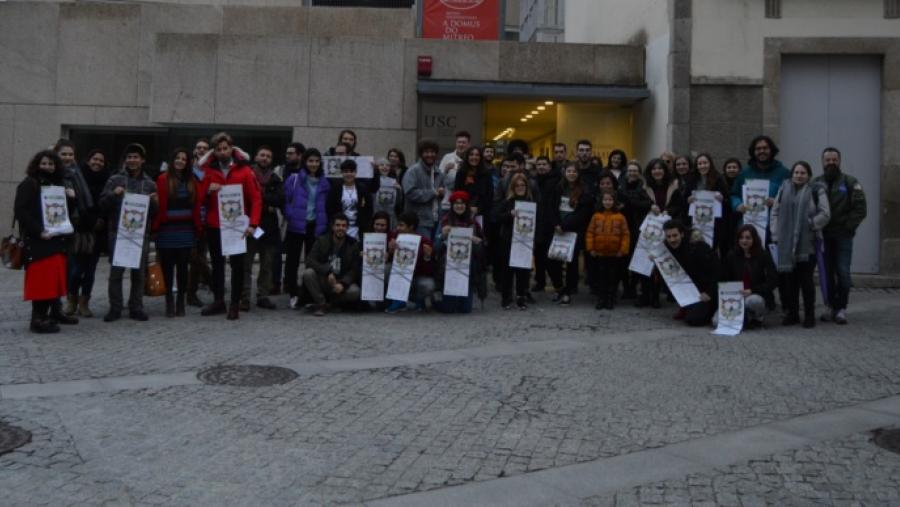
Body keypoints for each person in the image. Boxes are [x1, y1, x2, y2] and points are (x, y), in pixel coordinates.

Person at [196, 132, 262, 320]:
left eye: (225, 148)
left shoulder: (244, 171)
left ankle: (234, 303)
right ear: (214, 152)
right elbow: (199, 199)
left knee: (237, 266)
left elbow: (256, 199)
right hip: (215, 224)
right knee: (217, 264)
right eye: (218, 149)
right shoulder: (208, 171)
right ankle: (219, 301)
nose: (222, 152)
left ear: (231, 149)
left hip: (237, 226)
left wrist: (253, 224)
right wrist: (208, 191)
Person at [15, 150, 78, 333]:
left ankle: (53, 313)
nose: (48, 167)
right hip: (39, 241)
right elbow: (21, 212)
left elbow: (64, 211)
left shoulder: (57, 184)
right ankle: (38, 319)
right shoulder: (29, 184)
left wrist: (72, 199)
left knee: (54, 280)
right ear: (37, 164)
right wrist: (39, 231)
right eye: (44, 163)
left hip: (56, 239)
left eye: (51, 164)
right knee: (42, 282)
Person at [99, 143, 158, 322]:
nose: (132, 160)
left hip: (140, 236)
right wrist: (113, 194)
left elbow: (154, 214)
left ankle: (136, 307)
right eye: (129, 157)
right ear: (125, 160)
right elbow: (102, 205)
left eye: (136, 157)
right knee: (116, 274)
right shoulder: (114, 180)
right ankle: (115, 308)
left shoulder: (149, 184)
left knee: (138, 274)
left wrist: (154, 202)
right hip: (118, 235)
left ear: (142, 160)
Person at [770, 161, 830, 328]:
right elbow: (775, 211)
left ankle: (809, 315)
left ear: (808, 175)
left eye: (803, 173)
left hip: (808, 243)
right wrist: (775, 234)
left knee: (806, 281)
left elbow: (825, 213)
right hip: (786, 243)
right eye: (796, 172)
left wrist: (810, 224)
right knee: (791, 281)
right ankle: (793, 313)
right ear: (792, 174)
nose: (799, 175)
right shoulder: (784, 189)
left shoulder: (816, 190)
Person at [813, 147, 867, 324]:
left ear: (839, 161)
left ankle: (841, 308)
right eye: (828, 160)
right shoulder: (816, 182)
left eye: (834, 160)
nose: (831, 163)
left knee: (842, 272)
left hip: (843, 236)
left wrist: (848, 228)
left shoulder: (851, 182)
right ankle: (829, 307)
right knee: (826, 273)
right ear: (823, 162)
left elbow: (860, 209)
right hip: (823, 237)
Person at [153, 148, 201, 317]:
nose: (180, 161)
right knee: (167, 269)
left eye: (184, 158)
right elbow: (158, 206)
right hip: (167, 231)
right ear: (172, 160)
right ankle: (169, 302)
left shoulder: (192, 181)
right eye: (177, 158)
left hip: (186, 232)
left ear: (188, 163)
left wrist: (197, 229)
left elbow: (197, 206)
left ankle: (181, 300)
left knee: (182, 269)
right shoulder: (162, 179)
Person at [283, 148, 330, 308]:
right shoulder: (294, 179)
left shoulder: (324, 182)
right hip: (296, 225)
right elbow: (286, 200)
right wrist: (290, 215)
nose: (314, 164)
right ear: (305, 162)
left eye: (317, 161)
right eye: (311, 161)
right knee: (292, 261)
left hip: (314, 226)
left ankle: (308, 294)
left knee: (312, 262)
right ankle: (293, 293)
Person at [55, 140, 96, 318]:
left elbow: (87, 200)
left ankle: (82, 302)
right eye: (63, 154)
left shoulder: (78, 173)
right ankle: (68, 301)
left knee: (86, 268)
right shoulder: (54, 175)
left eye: (70, 154)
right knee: (72, 269)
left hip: (84, 227)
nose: (67, 157)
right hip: (64, 228)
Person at [241, 146, 284, 311]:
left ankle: (263, 295)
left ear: (271, 160)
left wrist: (259, 197)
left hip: (269, 228)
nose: (265, 158)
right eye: (262, 155)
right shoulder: (247, 174)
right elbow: (245, 197)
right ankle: (244, 297)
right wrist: (267, 203)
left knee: (267, 265)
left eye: (268, 156)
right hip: (249, 226)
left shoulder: (275, 178)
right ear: (256, 157)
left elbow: (280, 199)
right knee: (246, 264)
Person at [70, 148, 109, 317]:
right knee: (76, 269)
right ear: (88, 160)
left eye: (101, 160)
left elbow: (107, 204)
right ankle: (71, 300)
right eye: (95, 159)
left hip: (97, 232)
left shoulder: (108, 180)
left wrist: (101, 220)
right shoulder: (77, 177)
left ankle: (84, 302)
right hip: (80, 230)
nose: (97, 163)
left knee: (91, 270)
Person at [730, 135, 791, 243]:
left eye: (765, 148)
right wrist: (737, 205)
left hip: (774, 230)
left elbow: (792, 198)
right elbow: (734, 195)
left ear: (771, 150)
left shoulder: (784, 173)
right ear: (753, 152)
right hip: (748, 230)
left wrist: (777, 202)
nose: (762, 151)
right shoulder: (744, 173)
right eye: (758, 149)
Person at [658, 219, 719, 326]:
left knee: (694, 320)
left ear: (682, 234)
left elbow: (717, 272)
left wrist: (709, 292)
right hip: (691, 289)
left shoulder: (698, 247)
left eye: (675, 235)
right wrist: (656, 260)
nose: (672, 239)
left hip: (707, 291)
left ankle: (716, 309)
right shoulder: (667, 249)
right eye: (669, 236)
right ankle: (687, 306)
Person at [547, 162, 591, 305]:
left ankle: (569, 291)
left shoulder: (584, 190)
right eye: (569, 171)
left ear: (578, 174)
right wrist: (556, 224)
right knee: (554, 261)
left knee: (572, 264)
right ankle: (559, 288)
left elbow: (582, 213)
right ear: (565, 173)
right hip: (557, 230)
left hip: (573, 231)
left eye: (574, 171)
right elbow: (551, 207)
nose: (572, 174)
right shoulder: (558, 188)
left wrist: (564, 226)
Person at [301, 213, 361, 316]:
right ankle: (322, 304)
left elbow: (354, 269)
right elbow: (310, 260)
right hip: (324, 279)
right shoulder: (321, 240)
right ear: (332, 226)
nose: (340, 228)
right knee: (308, 273)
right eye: (338, 225)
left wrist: (343, 284)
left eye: (343, 226)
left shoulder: (353, 244)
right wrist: (327, 271)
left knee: (355, 292)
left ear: (347, 228)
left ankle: (333, 303)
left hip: (340, 281)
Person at [719, 225, 778, 328]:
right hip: (736, 296)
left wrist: (752, 290)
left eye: (748, 238)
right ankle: (745, 318)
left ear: (754, 239)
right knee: (716, 322)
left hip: (756, 295)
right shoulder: (732, 255)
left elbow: (773, 281)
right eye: (741, 238)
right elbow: (725, 278)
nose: (744, 241)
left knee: (754, 301)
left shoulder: (763, 255)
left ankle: (757, 317)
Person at [493, 173, 536, 310]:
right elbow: (496, 217)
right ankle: (506, 298)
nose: (520, 187)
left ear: (526, 186)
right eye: (517, 185)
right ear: (513, 187)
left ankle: (521, 297)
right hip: (508, 240)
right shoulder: (507, 202)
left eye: (522, 185)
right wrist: (509, 214)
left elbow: (538, 221)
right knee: (507, 271)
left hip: (525, 241)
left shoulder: (531, 202)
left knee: (523, 271)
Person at [437, 191, 485, 313]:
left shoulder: (473, 224)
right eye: (456, 203)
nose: (459, 206)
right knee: (448, 309)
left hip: (468, 268)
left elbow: (483, 248)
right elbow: (435, 247)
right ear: (452, 205)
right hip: (448, 267)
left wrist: (477, 241)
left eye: (462, 203)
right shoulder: (445, 221)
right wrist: (442, 235)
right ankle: (438, 300)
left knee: (465, 310)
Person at [585, 190, 630, 310]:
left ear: (614, 202)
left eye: (610, 200)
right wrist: (591, 248)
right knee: (601, 277)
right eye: (605, 200)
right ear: (601, 201)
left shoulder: (620, 217)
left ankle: (611, 298)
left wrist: (623, 250)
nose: (608, 202)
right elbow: (590, 232)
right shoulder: (596, 216)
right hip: (599, 253)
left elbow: (625, 234)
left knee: (613, 277)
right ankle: (601, 298)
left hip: (615, 254)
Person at [384, 211, 437, 313]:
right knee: (386, 269)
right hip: (399, 275)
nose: (398, 228)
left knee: (428, 285)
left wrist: (427, 257)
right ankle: (396, 300)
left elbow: (429, 271)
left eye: (401, 225)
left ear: (411, 227)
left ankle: (418, 300)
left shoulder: (424, 242)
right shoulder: (394, 237)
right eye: (397, 225)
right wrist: (390, 252)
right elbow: (388, 261)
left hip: (416, 276)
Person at [683, 153, 730, 255]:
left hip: (715, 222)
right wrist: (688, 200)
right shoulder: (691, 179)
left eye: (705, 163)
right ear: (696, 166)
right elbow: (684, 200)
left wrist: (722, 199)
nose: (702, 166)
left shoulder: (719, 179)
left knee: (711, 249)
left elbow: (727, 200)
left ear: (710, 164)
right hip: (695, 220)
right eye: (700, 163)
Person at [618, 161, 650, 300]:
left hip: (638, 228)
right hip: (622, 228)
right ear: (626, 173)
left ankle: (633, 287)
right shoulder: (620, 188)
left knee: (636, 259)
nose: (632, 173)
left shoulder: (644, 188)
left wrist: (629, 203)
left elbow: (647, 205)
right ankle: (626, 287)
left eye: (635, 171)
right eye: (630, 170)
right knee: (623, 260)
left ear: (639, 173)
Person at [186, 138, 212, 307]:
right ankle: (212, 281)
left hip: (206, 221)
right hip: (189, 220)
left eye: (205, 148)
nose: (201, 150)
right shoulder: (188, 170)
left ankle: (191, 293)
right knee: (194, 258)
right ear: (194, 150)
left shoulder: (211, 170)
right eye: (199, 147)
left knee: (198, 258)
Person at [402, 139, 443, 241]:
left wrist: (441, 193)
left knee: (433, 251)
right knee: (424, 251)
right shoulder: (413, 171)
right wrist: (433, 192)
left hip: (436, 219)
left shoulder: (439, 172)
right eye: (426, 152)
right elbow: (410, 192)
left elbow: (439, 195)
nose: (430, 155)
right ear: (421, 154)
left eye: (432, 152)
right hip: (419, 221)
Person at [532, 155, 561, 293]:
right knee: (538, 256)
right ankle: (540, 281)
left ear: (549, 166)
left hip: (551, 223)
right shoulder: (533, 181)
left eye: (544, 164)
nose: (541, 167)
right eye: (539, 164)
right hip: (537, 223)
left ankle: (557, 283)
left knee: (552, 257)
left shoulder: (557, 181)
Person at [327, 159, 375, 241]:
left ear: (356, 172)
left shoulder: (363, 189)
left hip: (358, 229)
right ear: (342, 173)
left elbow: (369, 209)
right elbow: (329, 208)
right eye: (346, 171)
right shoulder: (335, 188)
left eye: (351, 171)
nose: (349, 174)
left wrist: (375, 171)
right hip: (340, 228)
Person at [438, 131, 471, 215]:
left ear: (468, 144)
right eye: (459, 142)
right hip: (447, 204)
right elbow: (438, 179)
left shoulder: (472, 159)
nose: (461, 145)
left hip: (465, 205)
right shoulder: (447, 157)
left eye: (464, 142)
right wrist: (445, 170)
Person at [373, 157, 404, 230]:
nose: (384, 167)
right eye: (381, 165)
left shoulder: (394, 181)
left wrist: (399, 191)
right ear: (377, 167)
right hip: (376, 214)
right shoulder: (373, 181)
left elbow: (399, 202)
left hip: (391, 216)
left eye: (387, 165)